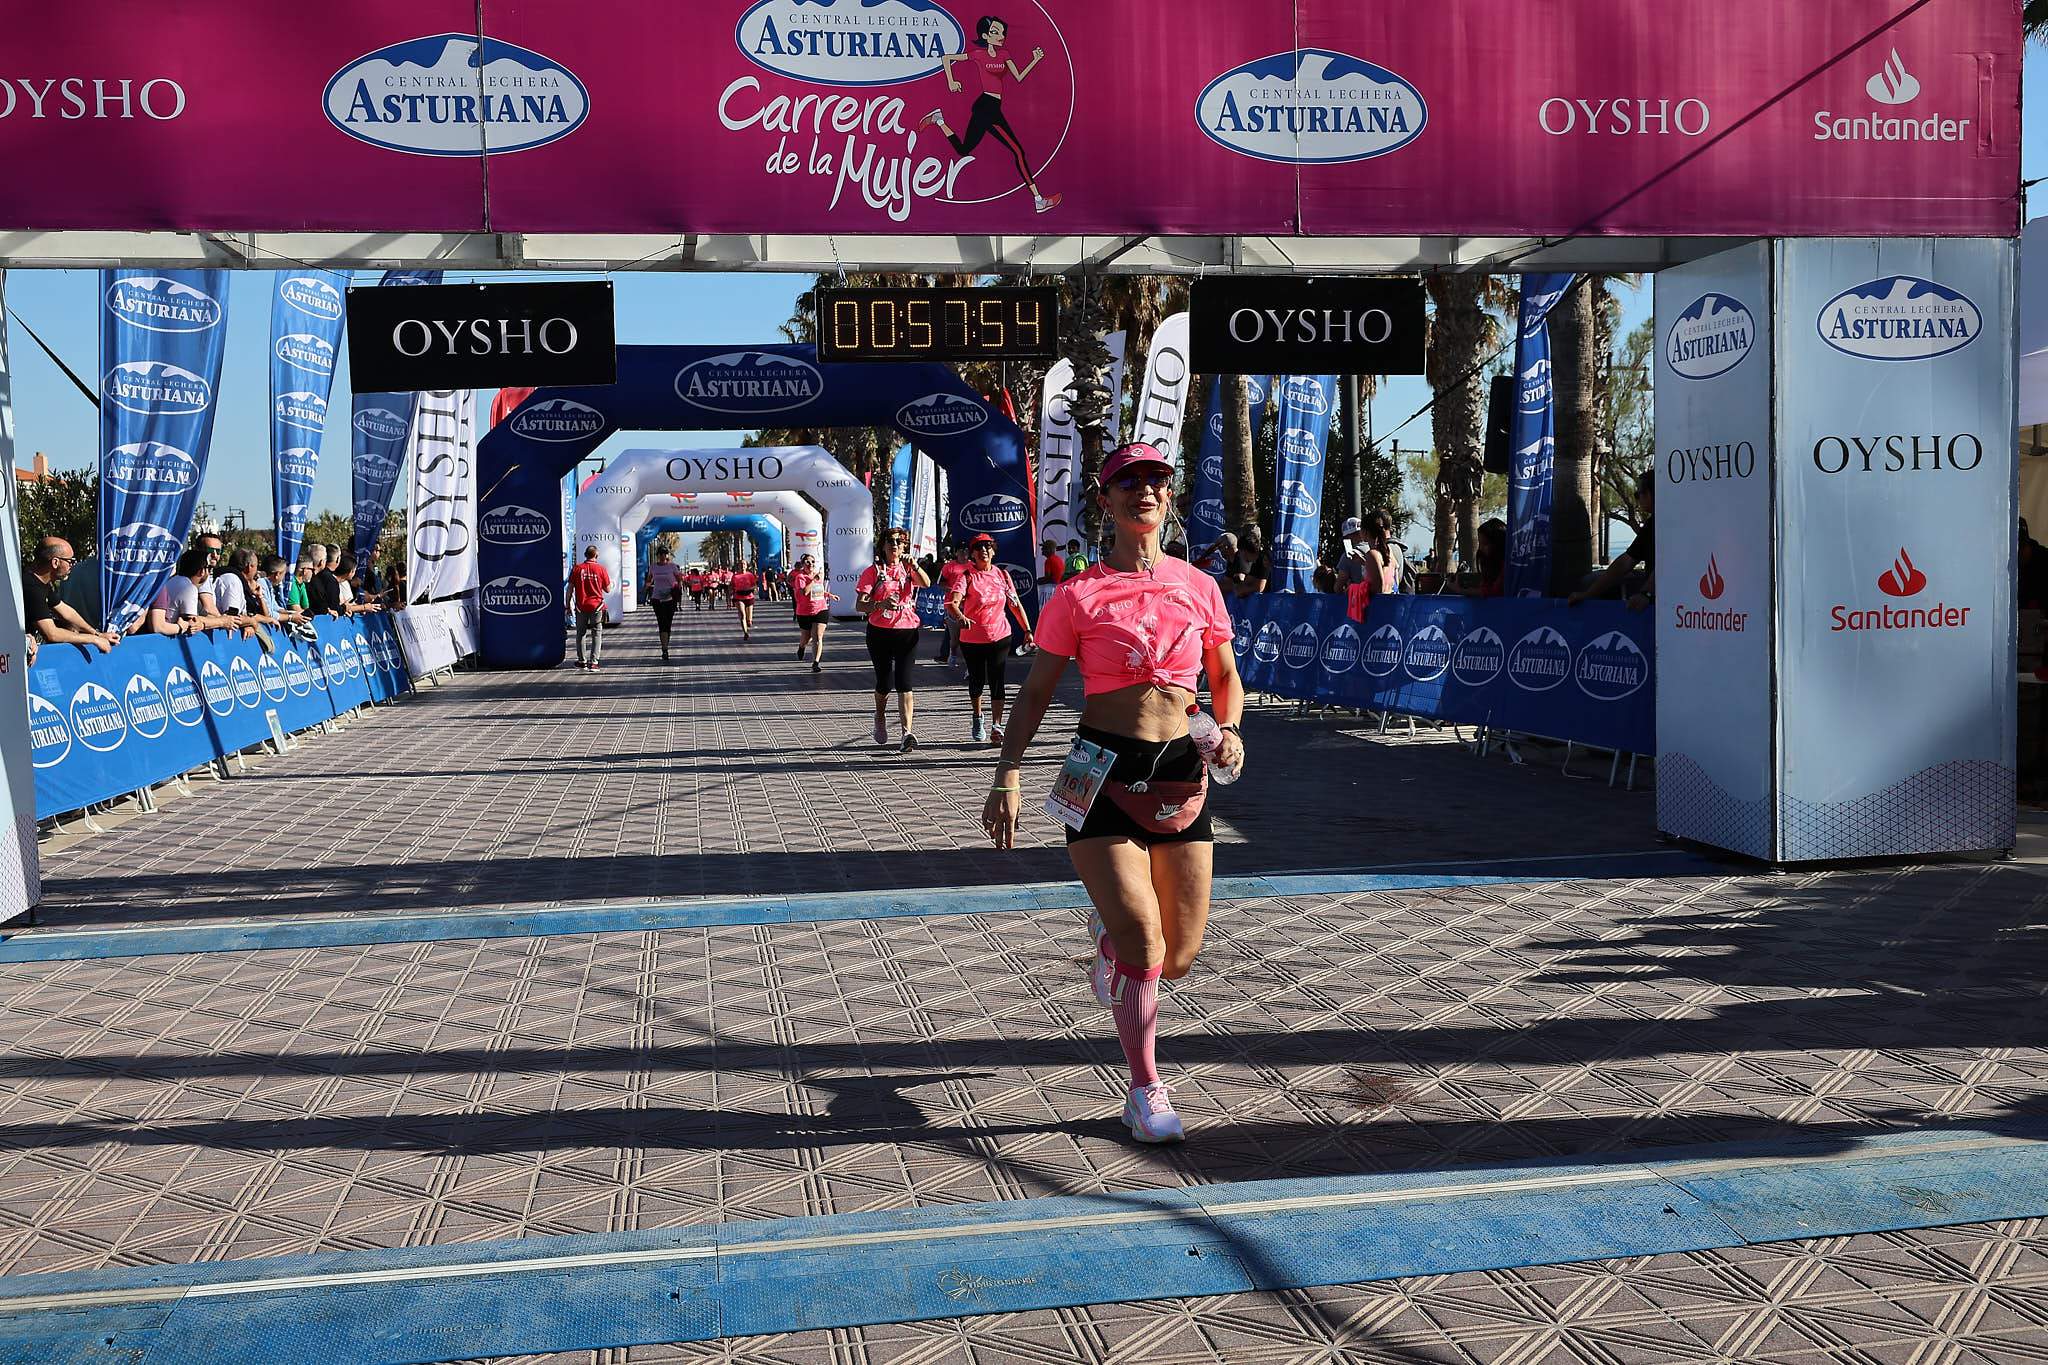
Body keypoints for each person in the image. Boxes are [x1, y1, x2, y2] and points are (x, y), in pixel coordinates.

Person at [982, 443, 1245, 1145]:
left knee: (1178, 956)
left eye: (1157, 480)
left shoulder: (1199, 584)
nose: (1145, 491)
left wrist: (1233, 729)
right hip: (1096, 772)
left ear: (1169, 496)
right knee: (1144, 939)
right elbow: (1037, 690)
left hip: (1181, 774)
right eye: (1128, 482)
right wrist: (1007, 771)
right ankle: (1144, 1087)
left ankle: (1108, 947)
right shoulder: (1077, 594)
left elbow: (1225, 677)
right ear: (1106, 500)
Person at [923, 15, 1062, 213]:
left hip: (990, 107)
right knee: (1018, 151)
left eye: (1002, 32)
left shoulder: (1004, 54)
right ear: (985, 35)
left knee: (963, 150)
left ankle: (939, 120)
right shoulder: (979, 54)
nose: (1001, 36)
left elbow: (1019, 77)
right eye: (996, 32)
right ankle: (1038, 200)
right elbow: (947, 58)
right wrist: (951, 81)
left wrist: (1034, 60)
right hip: (986, 107)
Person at [947, 534, 1035, 745]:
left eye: (987, 547)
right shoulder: (966, 576)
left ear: (994, 551)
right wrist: (961, 617)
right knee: (977, 680)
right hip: (972, 639)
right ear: (973, 554)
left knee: (997, 680)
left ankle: (997, 725)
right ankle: (978, 717)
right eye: (978, 548)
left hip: (1000, 636)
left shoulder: (1003, 576)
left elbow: (1015, 605)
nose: (983, 551)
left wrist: (1028, 629)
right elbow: (952, 603)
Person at [857, 526, 931, 751]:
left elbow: (927, 583)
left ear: (904, 547)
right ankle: (879, 715)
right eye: (890, 541)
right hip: (879, 632)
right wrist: (879, 604)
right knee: (884, 683)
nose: (895, 545)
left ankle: (907, 733)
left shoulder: (909, 569)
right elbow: (860, 605)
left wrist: (915, 565)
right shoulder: (872, 571)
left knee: (904, 682)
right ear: (883, 546)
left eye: (899, 542)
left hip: (907, 630)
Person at [1568, 471, 1654, 609]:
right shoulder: (1653, 524)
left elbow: (1626, 563)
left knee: (1590, 581)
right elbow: (1626, 561)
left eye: (1638, 494)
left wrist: (1647, 594)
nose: (1637, 499)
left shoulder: (1658, 524)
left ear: (1649, 494)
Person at [21, 537, 119, 653]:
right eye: (70, 561)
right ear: (55, 562)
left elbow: (66, 612)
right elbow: (52, 634)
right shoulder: (31, 587)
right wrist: (94, 639)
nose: (72, 565)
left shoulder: (42, 583)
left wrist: (97, 634)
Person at [146, 549, 235, 637]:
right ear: (202, 571)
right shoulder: (188, 588)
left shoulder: (172, 581)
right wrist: (222, 621)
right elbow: (193, 623)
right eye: (208, 568)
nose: (209, 572)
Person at [1344, 512, 1399, 623]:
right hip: (1391, 610)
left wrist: (1352, 589)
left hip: (1376, 614)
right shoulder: (1389, 552)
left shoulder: (1372, 554)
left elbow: (1379, 588)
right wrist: (1364, 563)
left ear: (1365, 532)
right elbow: (1391, 578)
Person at [789, 553, 839, 673]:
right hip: (804, 612)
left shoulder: (818, 576)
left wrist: (829, 595)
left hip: (820, 609)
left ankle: (816, 662)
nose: (810, 564)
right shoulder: (800, 577)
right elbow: (805, 592)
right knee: (806, 638)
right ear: (802, 565)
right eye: (807, 562)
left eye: (812, 562)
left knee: (817, 636)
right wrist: (814, 580)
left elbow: (819, 590)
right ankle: (801, 647)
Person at [569, 545, 611, 670]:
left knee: (580, 633)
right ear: (596, 556)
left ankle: (582, 661)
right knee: (596, 633)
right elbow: (608, 589)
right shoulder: (601, 569)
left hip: (581, 606)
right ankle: (594, 662)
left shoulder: (577, 569)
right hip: (597, 606)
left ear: (585, 555)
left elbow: (570, 589)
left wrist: (567, 605)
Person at [935, 542, 971, 663]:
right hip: (952, 605)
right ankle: (950, 653)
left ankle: (969, 660)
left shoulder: (973, 566)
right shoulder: (949, 567)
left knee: (969, 632)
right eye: (961, 550)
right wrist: (954, 590)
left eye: (966, 550)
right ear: (956, 553)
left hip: (969, 605)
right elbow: (940, 583)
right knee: (953, 636)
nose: (963, 553)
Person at [646, 545, 683, 661]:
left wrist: (677, 589)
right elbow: (649, 579)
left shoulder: (672, 567)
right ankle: (664, 649)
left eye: (665, 553)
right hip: (657, 598)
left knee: (668, 623)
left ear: (668, 555)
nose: (663, 556)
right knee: (661, 622)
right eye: (661, 554)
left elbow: (679, 579)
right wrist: (647, 586)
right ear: (658, 555)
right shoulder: (653, 567)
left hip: (670, 599)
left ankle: (665, 643)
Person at [1221, 527, 1269, 599]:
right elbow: (1247, 581)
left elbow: (1259, 588)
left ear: (1244, 551)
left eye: (1239, 552)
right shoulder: (1255, 562)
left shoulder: (1263, 559)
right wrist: (1239, 588)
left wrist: (1241, 590)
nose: (1239, 555)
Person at [731, 561, 760, 642]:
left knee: (749, 620)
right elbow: (732, 586)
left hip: (749, 597)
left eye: (744, 564)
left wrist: (750, 589)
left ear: (746, 566)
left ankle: (749, 621)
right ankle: (745, 633)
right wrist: (730, 594)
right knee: (742, 614)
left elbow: (754, 585)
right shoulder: (735, 576)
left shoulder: (750, 575)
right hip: (738, 596)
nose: (742, 566)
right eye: (741, 564)